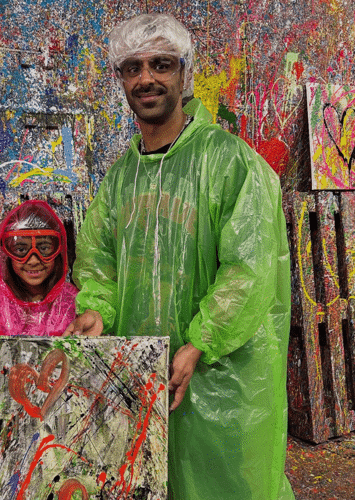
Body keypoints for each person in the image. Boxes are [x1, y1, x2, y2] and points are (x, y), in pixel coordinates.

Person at [64, 13, 295, 500]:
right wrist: (97, 310)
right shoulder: (120, 178)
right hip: (141, 380)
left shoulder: (229, 161)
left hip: (219, 382)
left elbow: (249, 267)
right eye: (133, 67)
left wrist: (200, 343)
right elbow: (99, 262)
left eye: (161, 64)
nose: (146, 78)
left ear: (184, 72)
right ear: (120, 78)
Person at [0, 199, 78, 500]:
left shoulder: (74, 303)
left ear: (59, 251)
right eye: (20, 248)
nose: (33, 259)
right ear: (5, 252)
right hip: (4, 428)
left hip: (62, 425)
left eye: (44, 247)